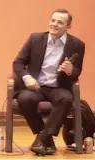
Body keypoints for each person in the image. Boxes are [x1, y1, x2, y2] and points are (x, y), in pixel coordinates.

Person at [13, 9, 85, 156]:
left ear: (68, 26)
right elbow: (18, 63)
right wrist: (27, 78)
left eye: (60, 22)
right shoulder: (35, 39)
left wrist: (71, 70)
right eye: (53, 20)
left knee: (66, 99)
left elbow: (77, 72)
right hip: (35, 86)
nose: (54, 24)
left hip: (58, 86)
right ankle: (47, 140)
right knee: (25, 99)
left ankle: (43, 138)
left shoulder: (77, 45)